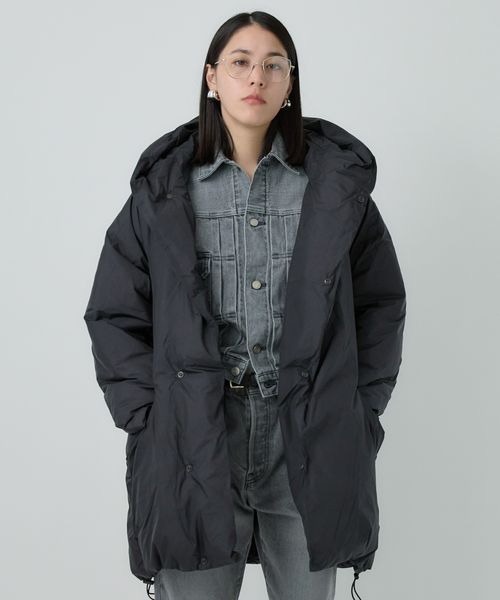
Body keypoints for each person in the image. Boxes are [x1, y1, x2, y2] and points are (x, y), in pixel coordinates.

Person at [83, 10, 406, 600]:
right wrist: (150, 419)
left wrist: (360, 407)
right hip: (195, 436)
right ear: (212, 77)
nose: (256, 77)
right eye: (240, 62)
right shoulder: (164, 192)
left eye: (273, 65)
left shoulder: (332, 189)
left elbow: (380, 303)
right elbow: (114, 313)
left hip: (308, 430)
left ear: (289, 84)